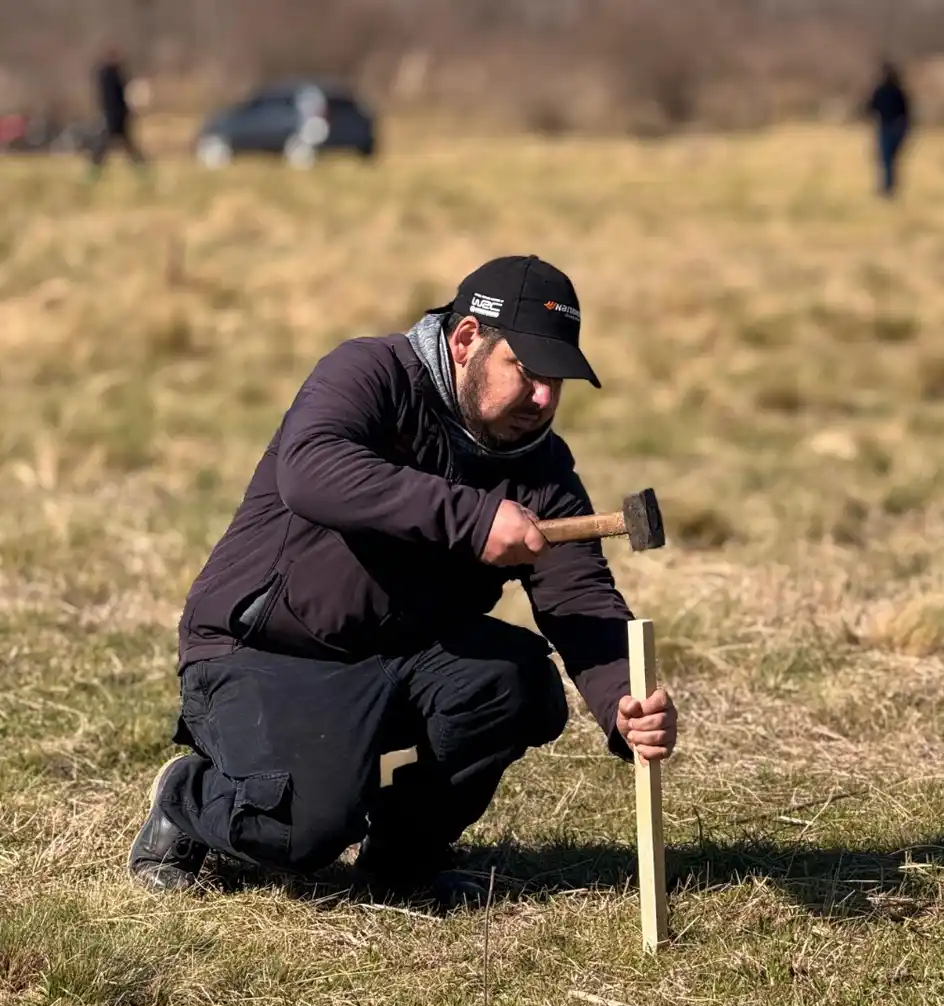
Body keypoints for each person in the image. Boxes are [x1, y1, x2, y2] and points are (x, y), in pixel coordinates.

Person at [128, 255, 680, 902]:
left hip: (398, 658)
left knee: (518, 683)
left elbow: (578, 594)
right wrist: (473, 519)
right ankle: (187, 797)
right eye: (527, 374)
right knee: (299, 834)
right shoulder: (372, 373)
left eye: (557, 382)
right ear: (468, 339)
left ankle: (402, 860)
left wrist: (622, 700)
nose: (543, 399)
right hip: (264, 650)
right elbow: (311, 469)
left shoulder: (541, 465)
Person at [88, 46, 147, 177]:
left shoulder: (109, 74)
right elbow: (117, 97)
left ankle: (141, 170)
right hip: (114, 116)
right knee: (108, 146)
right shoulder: (111, 74)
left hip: (115, 116)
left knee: (119, 146)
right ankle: (93, 172)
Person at [866, 60, 911, 198]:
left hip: (887, 127)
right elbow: (906, 112)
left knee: (887, 160)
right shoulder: (898, 92)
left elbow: (870, 108)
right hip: (895, 127)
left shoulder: (881, 91)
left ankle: (887, 189)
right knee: (890, 160)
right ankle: (889, 188)